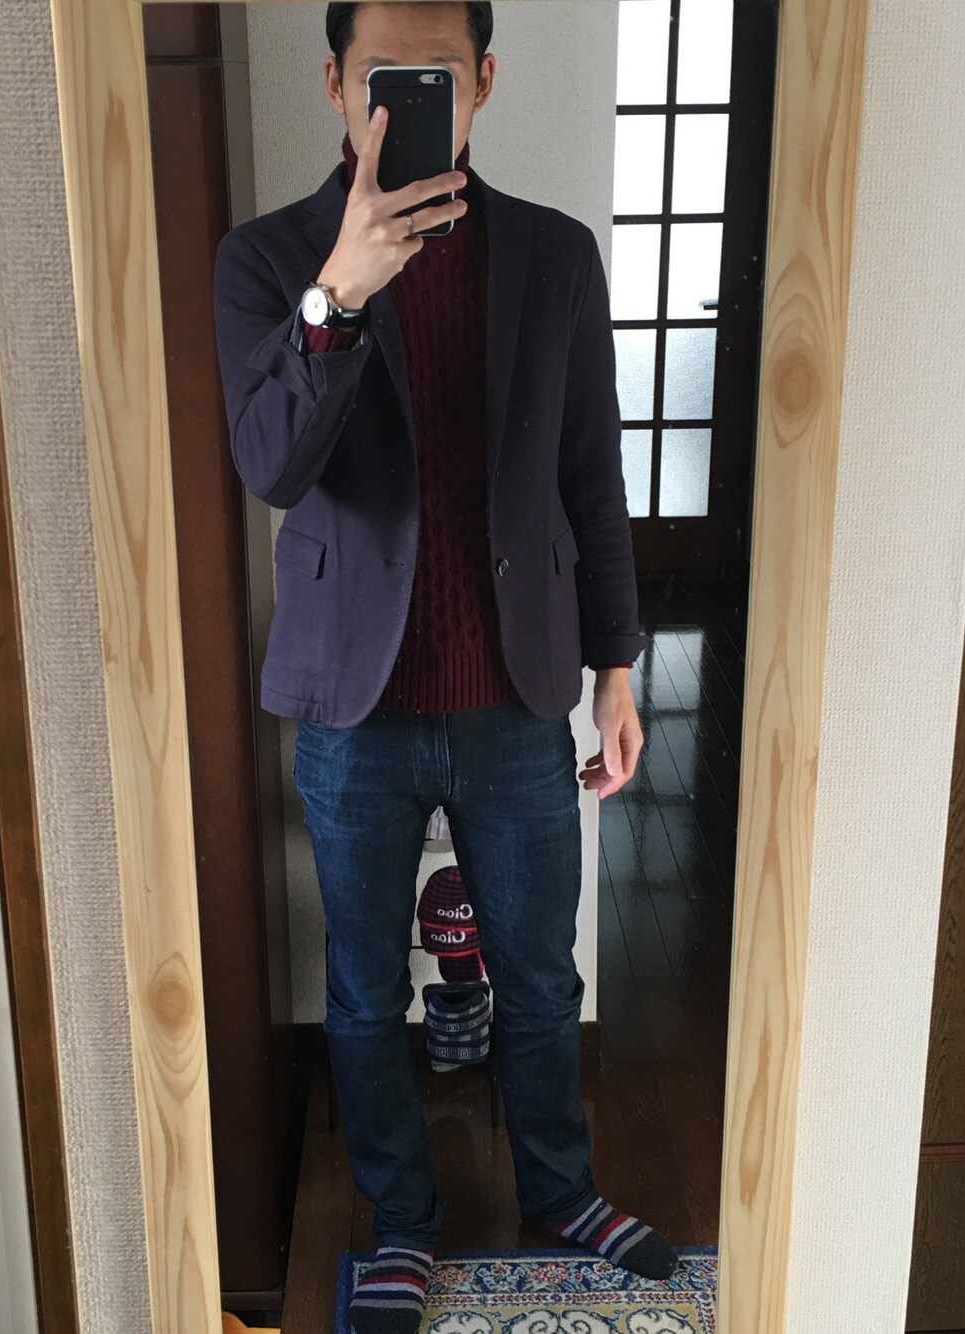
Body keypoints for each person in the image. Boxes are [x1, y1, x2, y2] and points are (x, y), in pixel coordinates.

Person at [213, 3, 676, 1329]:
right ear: (333, 84)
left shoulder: (554, 255)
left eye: (435, 75)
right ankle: (403, 1223)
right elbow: (272, 467)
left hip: (517, 690)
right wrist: (340, 293)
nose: (405, 101)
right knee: (364, 988)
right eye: (379, 79)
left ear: (482, 82)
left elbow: (592, 477)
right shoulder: (268, 260)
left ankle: (562, 1187)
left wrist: (618, 668)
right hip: (352, 703)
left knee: (541, 973)